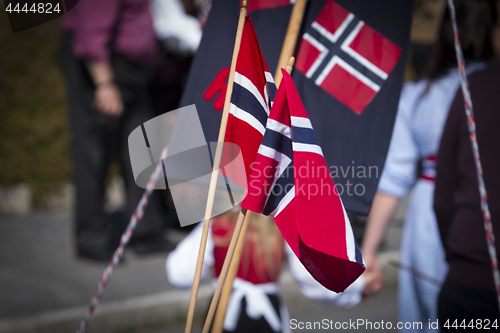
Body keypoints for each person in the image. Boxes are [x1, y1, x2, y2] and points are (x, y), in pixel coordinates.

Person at [361, 1, 495, 331]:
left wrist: (369, 250)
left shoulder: (420, 92)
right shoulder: (487, 87)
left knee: (427, 317)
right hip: (473, 207)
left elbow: (395, 177)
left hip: (427, 210)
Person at [59, 0, 173, 261]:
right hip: (104, 68)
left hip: (132, 70)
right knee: (93, 153)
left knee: (142, 146)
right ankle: (92, 238)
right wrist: (105, 83)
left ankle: (146, 230)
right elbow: (89, 32)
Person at [166, 211, 374, 333]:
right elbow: (310, 276)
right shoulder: (281, 228)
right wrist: (360, 284)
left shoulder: (216, 225)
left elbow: (180, 273)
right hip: (266, 318)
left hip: (222, 310)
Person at [434, 21, 500, 329]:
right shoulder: (473, 85)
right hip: (472, 272)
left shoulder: (475, 86)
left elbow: (444, 193)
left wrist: (459, 253)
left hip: (469, 276)